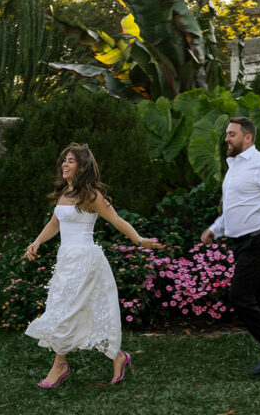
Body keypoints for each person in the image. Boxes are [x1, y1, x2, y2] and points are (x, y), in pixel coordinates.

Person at [23, 143, 163, 388]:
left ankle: (60, 364)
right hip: (66, 261)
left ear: (82, 166)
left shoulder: (91, 195)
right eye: (64, 160)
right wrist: (37, 242)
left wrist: (140, 240)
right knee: (66, 309)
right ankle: (117, 357)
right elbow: (55, 223)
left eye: (71, 161)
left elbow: (116, 219)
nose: (65, 164)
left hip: (85, 261)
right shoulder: (64, 193)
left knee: (69, 311)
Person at [201, 116, 260, 375]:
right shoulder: (234, 166)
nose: (226, 139)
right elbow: (236, 208)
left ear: (248, 137)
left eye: (232, 134)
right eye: (227, 134)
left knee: (240, 296)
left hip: (259, 240)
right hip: (242, 242)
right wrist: (215, 230)